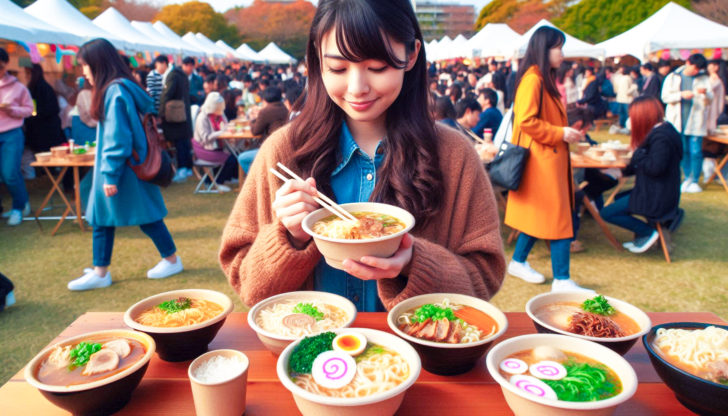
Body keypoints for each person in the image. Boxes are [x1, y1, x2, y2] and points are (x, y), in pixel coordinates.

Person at [219, 0, 505, 311]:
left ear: (411, 55)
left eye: (377, 67)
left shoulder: (453, 155)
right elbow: (248, 287)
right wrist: (291, 238)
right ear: (317, 60)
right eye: (338, 68)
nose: (357, 88)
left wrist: (412, 262)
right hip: (309, 353)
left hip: (407, 357)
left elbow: (483, 280)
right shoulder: (282, 151)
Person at [67, 38, 183, 291]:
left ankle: (166, 260)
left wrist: (109, 174)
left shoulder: (113, 91)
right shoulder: (123, 87)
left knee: (132, 216)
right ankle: (103, 270)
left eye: (85, 66)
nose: (83, 71)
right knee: (112, 218)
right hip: (130, 165)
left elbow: (117, 137)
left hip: (123, 169)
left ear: (97, 64)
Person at [504, 26, 590, 293]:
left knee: (543, 216)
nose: (562, 53)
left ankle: (519, 261)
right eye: (558, 47)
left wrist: (561, 132)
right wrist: (560, 133)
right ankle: (561, 279)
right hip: (542, 161)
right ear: (544, 49)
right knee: (560, 217)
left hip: (544, 160)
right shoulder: (534, 79)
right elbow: (526, 120)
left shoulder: (539, 77)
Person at [600, 97, 682, 253]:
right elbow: (648, 164)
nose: (631, 120)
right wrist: (624, 170)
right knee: (619, 198)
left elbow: (655, 168)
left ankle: (648, 233)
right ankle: (642, 236)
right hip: (659, 191)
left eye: (633, 116)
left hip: (657, 197)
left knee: (607, 213)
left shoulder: (661, 138)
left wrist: (638, 154)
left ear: (643, 116)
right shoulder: (664, 130)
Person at [662, 53, 712, 193]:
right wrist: (680, 95)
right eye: (695, 68)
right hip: (677, 121)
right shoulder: (673, 77)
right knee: (682, 151)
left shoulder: (703, 78)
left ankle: (694, 179)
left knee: (695, 151)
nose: (696, 71)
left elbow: (710, 100)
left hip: (696, 121)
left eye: (699, 69)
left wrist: (705, 94)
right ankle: (686, 178)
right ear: (688, 63)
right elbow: (664, 97)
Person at [0, 47, 33, 226]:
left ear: (5, 64)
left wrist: (11, 109)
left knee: (10, 173)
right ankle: (21, 202)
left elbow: (29, 110)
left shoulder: (18, 87)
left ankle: (18, 208)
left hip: (12, 133)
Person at [157, 55, 194, 183]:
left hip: (174, 116)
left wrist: (160, 113)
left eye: (157, 65)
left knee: (179, 143)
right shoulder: (182, 75)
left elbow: (166, 95)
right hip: (183, 115)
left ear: (163, 63)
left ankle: (182, 168)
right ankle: (187, 167)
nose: (157, 68)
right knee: (183, 142)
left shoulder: (172, 75)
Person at [237, 86, 289, 174]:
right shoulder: (285, 108)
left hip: (273, 150)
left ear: (264, 99)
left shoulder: (266, 111)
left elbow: (255, 131)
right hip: (284, 148)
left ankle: (257, 180)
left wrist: (252, 121)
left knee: (242, 158)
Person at [192, 92, 238, 191]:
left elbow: (225, 125)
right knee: (231, 159)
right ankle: (217, 182)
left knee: (235, 156)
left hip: (216, 146)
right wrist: (221, 132)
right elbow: (205, 138)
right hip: (204, 149)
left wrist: (228, 128)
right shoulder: (202, 117)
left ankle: (224, 178)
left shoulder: (220, 114)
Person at [24, 64, 66, 154]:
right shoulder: (40, 88)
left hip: (44, 132)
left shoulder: (39, 88)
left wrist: (33, 115)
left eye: (28, 73)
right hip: (44, 131)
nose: (26, 76)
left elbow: (49, 109)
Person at [702, 59, 727, 181]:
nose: (710, 67)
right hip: (712, 116)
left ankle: (711, 174)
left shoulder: (716, 80)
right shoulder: (715, 79)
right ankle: (711, 174)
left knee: (710, 146)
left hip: (712, 117)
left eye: (712, 65)